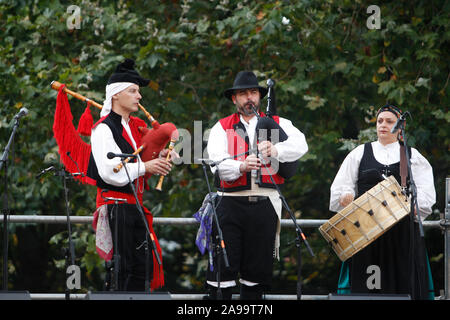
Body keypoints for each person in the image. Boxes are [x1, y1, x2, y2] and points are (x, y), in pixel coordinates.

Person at [205, 70, 308, 299]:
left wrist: (276, 150)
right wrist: (241, 166)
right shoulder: (221, 127)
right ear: (234, 99)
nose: (249, 97)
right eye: (243, 94)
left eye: (253, 92)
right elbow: (217, 164)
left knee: (256, 279)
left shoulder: (279, 123)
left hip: (264, 206)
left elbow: (301, 145)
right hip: (230, 205)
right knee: (222, 277)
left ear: (260, 97)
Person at [329, 104, 436, 299]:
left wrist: (412, 205)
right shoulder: (359, 153)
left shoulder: (412, 156)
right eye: (380, 121)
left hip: (401, 235)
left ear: (399, 127)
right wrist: (345, 196)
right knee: (369, 289)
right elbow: (340, 188)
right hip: (366, 236)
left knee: (402, 288)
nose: (383, 125)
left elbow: (426, 196)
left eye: (389, 121)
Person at [87, 58, 173, 291]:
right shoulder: (103, 128)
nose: (139, 96)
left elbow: (136, 163)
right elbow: (109, 171)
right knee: (121, 270)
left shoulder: (130, 128)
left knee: (139, 269)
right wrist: (146, 167)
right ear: (116, 95)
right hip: (116, 207)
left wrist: (161, 157)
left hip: (133, 207)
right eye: (133, 91)